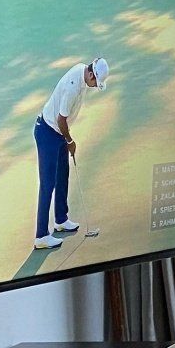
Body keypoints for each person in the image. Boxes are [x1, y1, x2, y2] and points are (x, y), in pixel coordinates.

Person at [31, 56, 110, 249]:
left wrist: (65, 139)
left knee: (62, 177)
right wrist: (70, 141)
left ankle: (61, 220)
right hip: (48, 132)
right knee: (48, 184)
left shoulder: (83, 71)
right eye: (95, 82)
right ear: (91, 74)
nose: (94, 86)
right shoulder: (74, 86)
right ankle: (41, 236)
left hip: (57, 133)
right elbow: (61, 119)